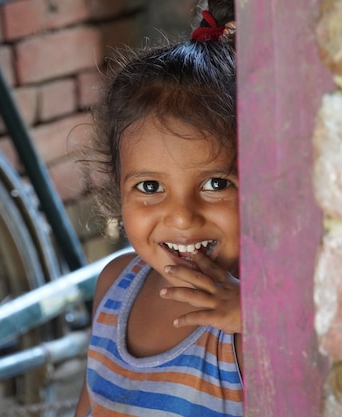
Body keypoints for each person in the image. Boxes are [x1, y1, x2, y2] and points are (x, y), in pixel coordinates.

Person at [74, 0, 243, 415]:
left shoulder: (251, 326)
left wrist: (261, 319)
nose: (182, 217)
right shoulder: (114, 288)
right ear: (118, 184)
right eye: (150, 186)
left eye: (216, 184)